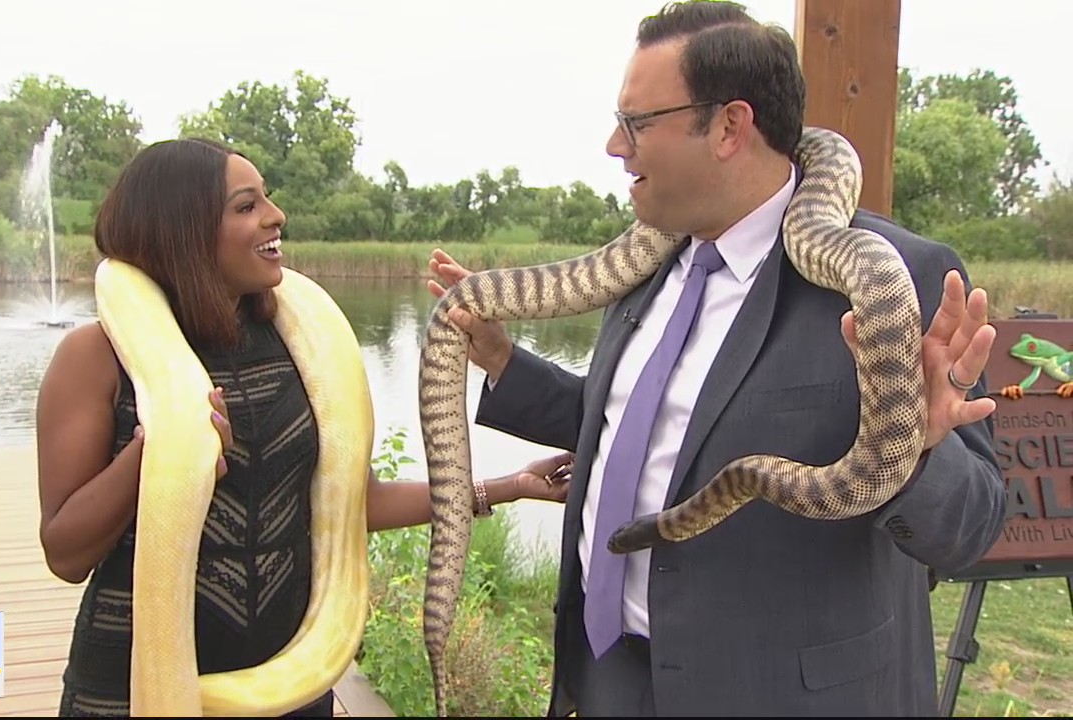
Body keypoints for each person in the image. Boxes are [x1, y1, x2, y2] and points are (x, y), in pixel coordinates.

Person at [425, 1, 1007, 716]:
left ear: (729, 126)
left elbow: (976, 531)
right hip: (610, 675)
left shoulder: (891, 277)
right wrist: (505, 362)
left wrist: (915, 451)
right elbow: (643, 431)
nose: (614, 145)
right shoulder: (646, 261)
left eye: (636, 124)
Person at [34, 137, 574, 718]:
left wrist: (508, 487)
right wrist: (155, 453)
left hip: (288, 684)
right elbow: (66, 554)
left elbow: (354, 504)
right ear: (182, 231)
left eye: (267, 198)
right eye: (246, 206)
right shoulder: (95, 357)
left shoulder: (300, 349)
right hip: (133, 686)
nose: (276, 216)